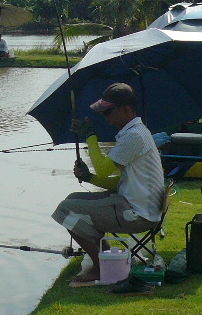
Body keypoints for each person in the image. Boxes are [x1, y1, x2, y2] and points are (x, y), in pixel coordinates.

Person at [51, 83, 165, 287]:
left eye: (108, 111)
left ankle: (100, 266)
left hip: (137, 214)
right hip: (135, 205)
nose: (105, 116)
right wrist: (89, 178)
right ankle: (105, 255)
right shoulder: (134, 132)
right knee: (71, 200)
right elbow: (118, 181)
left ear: (127, 110)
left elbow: (103, 169)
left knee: (64, 211)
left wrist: (90, 137)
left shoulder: (134, 136)